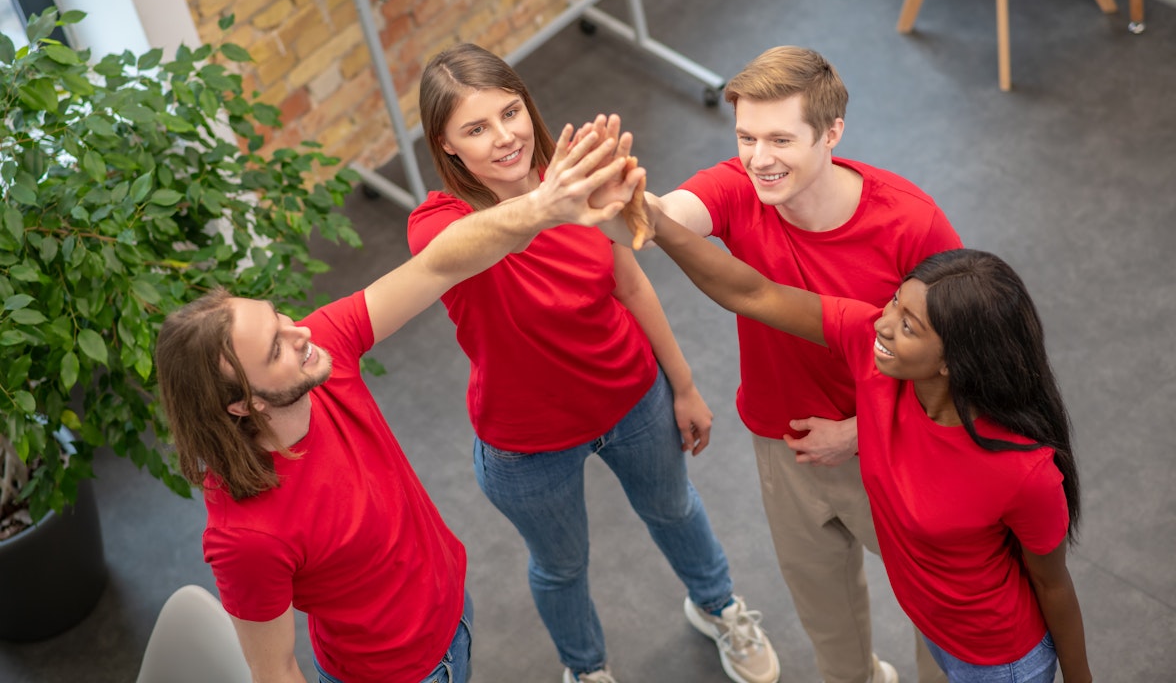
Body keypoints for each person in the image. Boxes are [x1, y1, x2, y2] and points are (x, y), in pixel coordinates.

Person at [154, 132, 642, 683]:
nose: (301, 332)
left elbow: (438, 266)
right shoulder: (246, 538)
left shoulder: (325, 348)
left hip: (453, 613)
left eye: (281, 317)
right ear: (243, 404)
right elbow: (275, 671)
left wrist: (540, 206)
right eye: (275, 348)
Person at [405, 42, 780, 683]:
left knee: (676, 510)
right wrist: (551, 202)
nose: (503, 138)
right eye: (475, 128)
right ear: (447, 148)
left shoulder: (579, 184)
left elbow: (631, 287)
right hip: (527, 446)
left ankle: (718, 606)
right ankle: (586, 669)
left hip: (633, 400)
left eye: (510, 113)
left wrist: (682, 385)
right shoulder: (437, 225)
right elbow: (477, 244)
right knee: (561, 565)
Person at [643, 205, 1092, 683]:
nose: (883, 323)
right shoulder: (871, 357)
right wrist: (654, 222)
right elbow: (753, 293)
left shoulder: (1023, 470)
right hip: (935, 630)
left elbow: (1053, 585)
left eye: (907, 326)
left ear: (953, 362)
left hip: (1001, 662)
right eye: (896, 303)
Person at [636, 46, 961, 683]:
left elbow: (960, 363)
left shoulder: (912, 225)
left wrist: (861, 431)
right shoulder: (739, 186)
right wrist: (620, 200)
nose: (760, 158)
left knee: (938, 609)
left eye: (781, 138)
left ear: (832, 132)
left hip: (895, 446)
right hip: (783, 446)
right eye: (746, 137)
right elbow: (658, 221)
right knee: (826, 617)